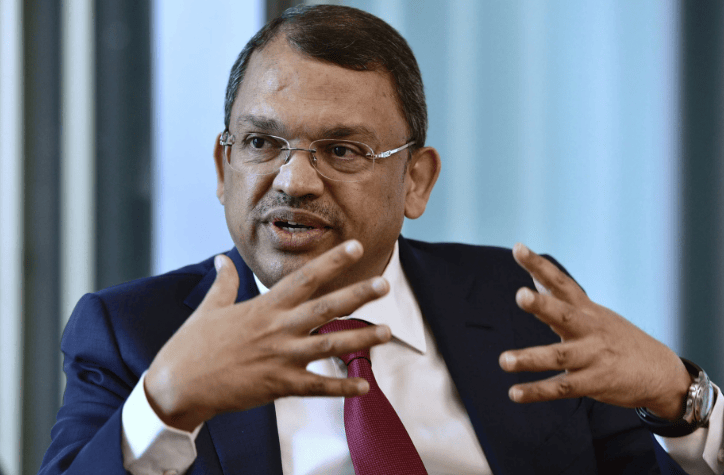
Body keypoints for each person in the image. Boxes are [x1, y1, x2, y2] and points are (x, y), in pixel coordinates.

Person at [40, 5, 722, 475]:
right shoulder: (134, 333)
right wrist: (165, 404)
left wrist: (682, 400)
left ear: (415, 182)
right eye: (261, 143)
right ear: (224, 169)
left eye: (342, 150)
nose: (294, 181)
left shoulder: (523, 305)